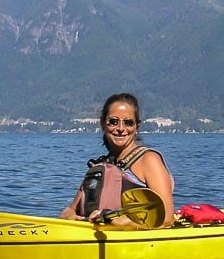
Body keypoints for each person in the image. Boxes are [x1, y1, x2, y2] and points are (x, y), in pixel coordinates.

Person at [60, 93, 174, 228]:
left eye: (128, 122)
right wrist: (68, 214)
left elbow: (167, 218)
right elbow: (72, 209)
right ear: (103, 124)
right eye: (113, 122)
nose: (121, 128)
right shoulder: (98, 167)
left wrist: (129, 223)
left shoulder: (149, 160)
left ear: (137, 126)